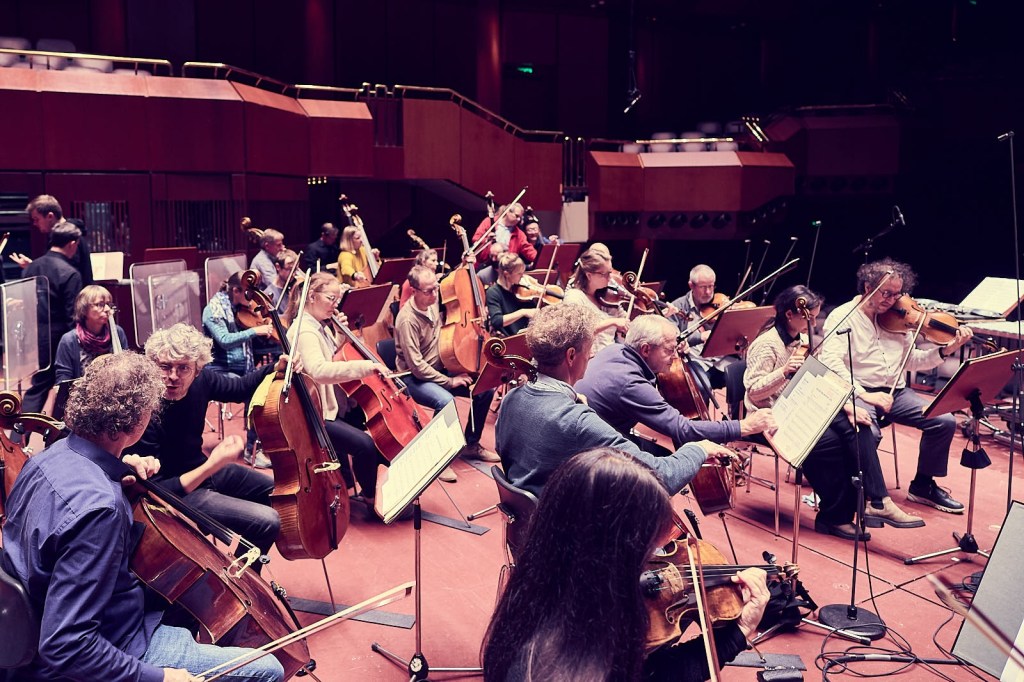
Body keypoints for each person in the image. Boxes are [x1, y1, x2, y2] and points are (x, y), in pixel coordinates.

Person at [1, 351, 284, 682]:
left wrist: (117, 476)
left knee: (189, 601)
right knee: (268, 669)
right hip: (115, 643)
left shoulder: (44, 459)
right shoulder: (101, 509)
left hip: (29, 628)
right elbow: (67, 646)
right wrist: (159, 676)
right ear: (137, 423)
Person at [481, 447, 768, 681]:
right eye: (647, 548)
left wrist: (738, 631)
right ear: (610, 553)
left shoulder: (547, 594)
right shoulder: (569, 666)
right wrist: (737, 634)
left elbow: (647, 674)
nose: (654, 561)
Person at [495, 302, 730, 499]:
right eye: (589, 349)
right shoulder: (577, 419)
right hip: (569, 528)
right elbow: (662, 477)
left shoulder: (511, 399)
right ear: (571, 356)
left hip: (529, 516)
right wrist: (699, 449)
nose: (591, 356)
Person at [744, 285, 923, 538]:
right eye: (809, 318)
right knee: (828, 444)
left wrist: (847, 406)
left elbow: (815, 378)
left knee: (858, 423)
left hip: (799, 406)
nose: (813, 324)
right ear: (789, 315)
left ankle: (878, 501)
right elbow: (753, 391)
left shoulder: (802, 340)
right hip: (770, 416)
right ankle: (834, 516)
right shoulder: (766, 344)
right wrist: (783, 372)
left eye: (815, 317)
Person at [819, 258, 974, 514]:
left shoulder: (899, 317)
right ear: (868, 287)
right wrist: (864, 394)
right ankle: (854, 491)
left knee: (943, 421)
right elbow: (831, 362)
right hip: (858, 392)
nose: (892, 300)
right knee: (867, 431)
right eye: (886, 293)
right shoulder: (843, 316)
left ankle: (922, 485)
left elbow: (912, 360)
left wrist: (947, 349)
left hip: (896, 393)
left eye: (897, 294)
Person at [125, 323, 282, 563]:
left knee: (276, 491)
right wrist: (213, 464)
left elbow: (238, 389)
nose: (173, 376)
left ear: (197, 371)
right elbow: (157, 490)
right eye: (165, 367)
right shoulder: (145, 410)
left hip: (199, 470)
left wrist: (274, 368)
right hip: (175, 493)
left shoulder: (203, 380)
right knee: (268, 521)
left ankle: (241, 571)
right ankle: (242, 579)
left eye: (183, 368)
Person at [576, 314, 777, 451]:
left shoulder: (615, 349)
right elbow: (683, 429)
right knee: (663, 463)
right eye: (668, 350)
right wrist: (744, 426)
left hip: (585, 431)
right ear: (645, 349)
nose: (674, 356)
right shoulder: (631, 384)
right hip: (589, 448)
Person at [284, 272, 394, 519]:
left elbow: (329, 354)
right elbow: (320, 371)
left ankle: (380, 487)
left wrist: (341, 335)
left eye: (338, 298)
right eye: (331, 298)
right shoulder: (305, 332)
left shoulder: (317, 325)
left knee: (378, 428)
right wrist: (366, 367)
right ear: (312, 296)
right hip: (316, 414)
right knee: (366, 445)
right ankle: (371, 499)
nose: (335, 304)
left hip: (331, 404)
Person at [394, 264, 500, 483]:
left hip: (439, 367)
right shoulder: (407, 320)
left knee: (484, 390)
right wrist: (449, 381)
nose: (435, 294)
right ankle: (436, 459)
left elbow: (457, 288)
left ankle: (471, 444)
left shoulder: (432, 302)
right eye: (429, 291)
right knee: (446, 401)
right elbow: (416, 366)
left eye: (436, 288)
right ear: (413, 291)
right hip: (412, 377)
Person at [202, 271, 276, 467]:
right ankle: (252, 450)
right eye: (248, 294)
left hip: (243, 368)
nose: (252, 299)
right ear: (236, 291)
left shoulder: (238, 307)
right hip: (219, 369)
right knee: (254, 392)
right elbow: (225, 340)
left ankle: (264, 444)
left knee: (269, 386)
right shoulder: (213, 310)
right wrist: (255, 331)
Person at [20, 222, 84, 416]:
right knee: (61, 386)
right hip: (59, 338)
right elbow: (72, 315)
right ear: (72, 244)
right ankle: (20, 430)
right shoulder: (70, 273)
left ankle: (22, 429)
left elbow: (25, 304)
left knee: (39, 384)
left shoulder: (32, 267)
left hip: (34, 334)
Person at [10, 194, 93, 286]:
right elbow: (58, 269)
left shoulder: (69, 237)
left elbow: (66, 275)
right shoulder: (57, 235)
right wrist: (34, 266)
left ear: (50, 216)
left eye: (37, 219)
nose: (35, 223)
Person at [562, 246, 629, 355]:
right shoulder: (574, 297)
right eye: (605, 274)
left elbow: (624, 319)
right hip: (591, 359)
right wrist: (612, 322)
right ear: (589, 275)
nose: (610, 278)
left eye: (610, 272)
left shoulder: (607, 297)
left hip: (613, 355)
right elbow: (576, 333)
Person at [54, 285, 129, 382]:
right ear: (84, 309)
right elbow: (63, 379)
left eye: (109, 304)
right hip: (82, 391)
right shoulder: (69, 340)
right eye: (100, 304)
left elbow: (127, 368)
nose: (107, 309)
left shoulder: (117, 332)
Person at [472, 203, 536, 285]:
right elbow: (475, 239)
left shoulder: (519, 234)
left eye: (520, 217)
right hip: (486, 264)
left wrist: (540, 260)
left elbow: (528, 249)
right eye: (516, 216)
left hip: (505, 270)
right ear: (508, 212)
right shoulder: (489, 222)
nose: (519, 219)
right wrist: (487, 239)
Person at [485, 252, 539, 336]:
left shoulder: (519, 288)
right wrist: (522, 312)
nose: (522, 276)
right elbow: (497, 321)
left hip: (529, 333)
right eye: (519, 273)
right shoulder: (493, 292)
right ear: (506, 274)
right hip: (512, 338)